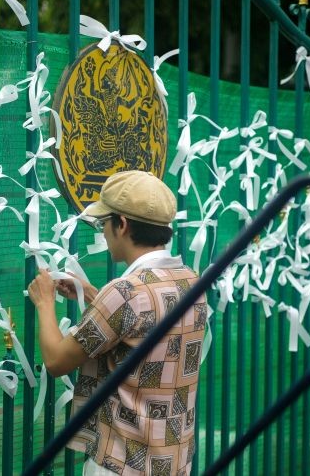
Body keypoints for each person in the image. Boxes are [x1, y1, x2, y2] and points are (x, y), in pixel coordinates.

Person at [27, 170, 207, 476]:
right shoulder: (189, 280)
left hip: (122, 463)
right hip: (173, 461)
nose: (103, 232)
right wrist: (93, 295)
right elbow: (143, 323)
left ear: (121, 225)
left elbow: (57, 361)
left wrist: (45, 303)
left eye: (103, 224)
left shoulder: (123, 294)